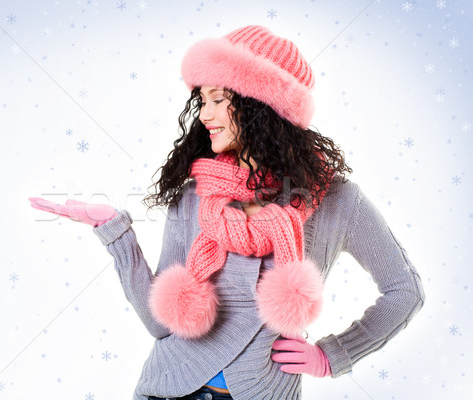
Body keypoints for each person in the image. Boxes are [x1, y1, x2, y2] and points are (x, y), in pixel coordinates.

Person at [29, 25, 425, 400]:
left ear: (261, 105)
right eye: (202, 100)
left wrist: (332, 356)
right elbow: (160, 324)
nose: (204, 113)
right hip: (166, 390)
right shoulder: (194, 196)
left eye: (218, 99)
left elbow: (404, 291)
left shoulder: (337, 201)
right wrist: (114, 231)